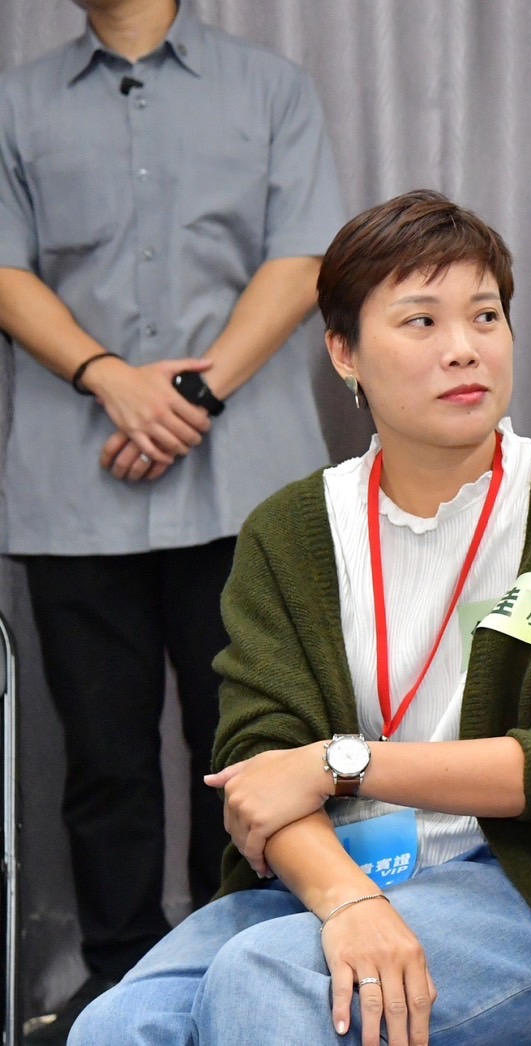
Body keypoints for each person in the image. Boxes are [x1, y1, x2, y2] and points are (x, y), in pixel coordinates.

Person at [68, 190, 531, 1045]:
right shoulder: (290, 532)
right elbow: (260, 770)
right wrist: (349, 900)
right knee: (115, 1026)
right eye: (421, 322)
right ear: (344, 353)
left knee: (267, 984)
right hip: (330, 869)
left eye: (486, 316)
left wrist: (339, 764)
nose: (464, 348)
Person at [0, 0, 343, 1035]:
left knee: (248, 746)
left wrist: (192, 397)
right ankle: (118, 990)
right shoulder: (14, 103)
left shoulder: (272, 88)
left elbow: (303, 259)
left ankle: (239, 974)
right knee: (103, 761)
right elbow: (5, 270)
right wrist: (112, 380)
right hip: (75, 487)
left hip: (248, 491)